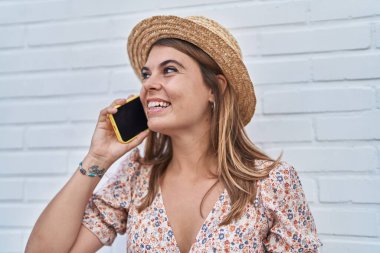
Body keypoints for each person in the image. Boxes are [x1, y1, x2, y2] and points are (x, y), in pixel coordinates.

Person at [26, 15, 322, 253]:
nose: (149, 84)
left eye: (168, 70)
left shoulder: (272, 183)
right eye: (146, 74)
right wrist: (97, 159)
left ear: (215, 89)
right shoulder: (137, 178)